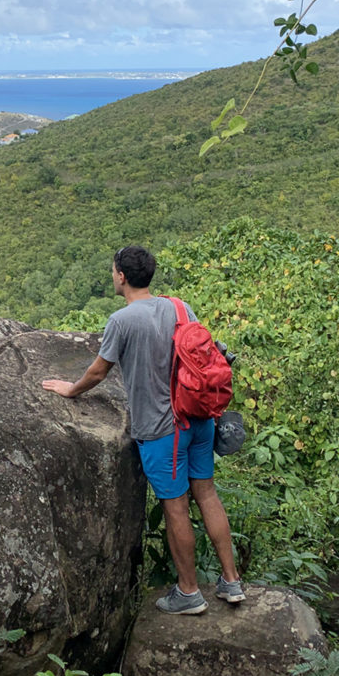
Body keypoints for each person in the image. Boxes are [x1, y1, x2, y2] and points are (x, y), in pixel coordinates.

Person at [41, 245, 244, 615]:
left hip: (163, 430)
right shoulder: (180, 307)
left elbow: (99, 371)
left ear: (121, 276)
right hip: (199, 420)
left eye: (112, 270)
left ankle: (189, 592)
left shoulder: (123, 320)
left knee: (176, 508)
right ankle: (232, 582)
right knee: (209, 495)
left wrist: (70, 389)